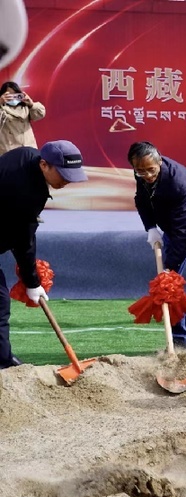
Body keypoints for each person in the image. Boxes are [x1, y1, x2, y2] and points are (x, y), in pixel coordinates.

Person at [0, 140, 88, 369]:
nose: (67, 181)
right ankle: (3, 362)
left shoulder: (25, 156)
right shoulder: (28, 191)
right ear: (44, 165)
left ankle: (3, 359)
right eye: (63, 174)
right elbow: (24, 240)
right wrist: (32, 282)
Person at [129, 141, 186, 355]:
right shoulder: (141, 172)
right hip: (172, 229)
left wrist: (169, 267)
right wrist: (151, 227)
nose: (147, 175)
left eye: (151, 170)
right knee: (170, 288)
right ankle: (178, 340)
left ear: (159, 161)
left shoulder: (179, 181)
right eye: (140, 171)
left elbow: (184, 230)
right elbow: (142, 200)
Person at [0, 81, 46, 155]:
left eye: (15, 94)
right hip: (9, 150)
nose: (13, 97)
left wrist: (31, 104)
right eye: (9, 95)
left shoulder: (26, 107)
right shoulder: (2, 109)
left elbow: (41, 114)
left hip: (28, 148)